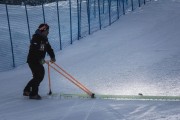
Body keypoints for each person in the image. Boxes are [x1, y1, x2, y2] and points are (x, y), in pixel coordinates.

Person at [23, 23, 56, 100]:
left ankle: (27, 90)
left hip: (38, 61)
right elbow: (34, 51)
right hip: (33, 60)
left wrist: (52, 57)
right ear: (43, 30)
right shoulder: (36, 38)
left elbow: (49, 48)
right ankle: (33, 94)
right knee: (39, 76)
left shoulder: (44, 39)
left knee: (38, 76)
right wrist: (40, 59)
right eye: (47, 31)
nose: (48, 32)